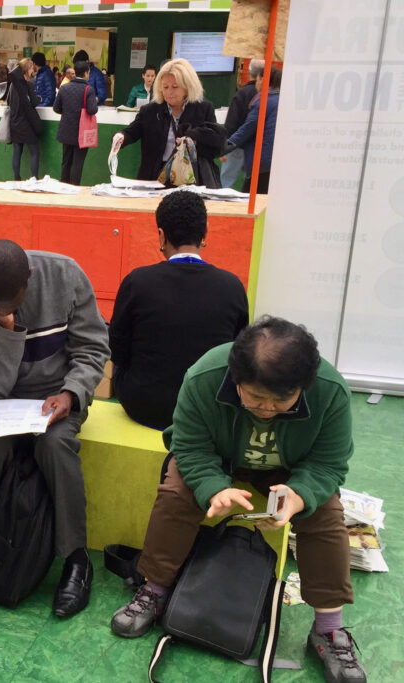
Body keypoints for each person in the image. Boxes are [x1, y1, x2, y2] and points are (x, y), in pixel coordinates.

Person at [110, 317, 367, 683]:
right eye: (255, 397)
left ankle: (328, 629)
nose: (266, 409)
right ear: (235, 377)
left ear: (303, 386)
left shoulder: (330, 391)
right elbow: (190, 446)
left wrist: (300, 495)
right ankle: (154, 589)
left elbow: (328, 463)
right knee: (178, 491)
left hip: (289, 471)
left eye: (282, 400)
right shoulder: (204, 377)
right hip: (221, 460)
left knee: (325, 513)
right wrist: (213, 487)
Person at [0, 240, 110, 630]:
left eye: (12, 304)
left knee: (56, 444)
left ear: (29, 277)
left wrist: (71, 393)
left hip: (58, 397)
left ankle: (76, 560)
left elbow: (93, 349)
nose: (3, 312)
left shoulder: (65, 274)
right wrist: (8, 332)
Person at [109, 191, 248, 429]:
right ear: (204, 233)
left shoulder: (137, 281)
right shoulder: (232, 286)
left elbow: (117, 350)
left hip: (143, 405)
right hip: (206, 410)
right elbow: (240, 353)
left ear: (161, 235)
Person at [112, 58, 225, 188]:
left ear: (188, 86)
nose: (169, 92)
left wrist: (195, 141)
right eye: (165, 87)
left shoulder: (203, 109)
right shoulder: (150, 110)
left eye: (175, 87)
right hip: (154, 177)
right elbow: (132, 131)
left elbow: (214, 144)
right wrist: (120, 137)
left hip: (191, 178)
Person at [226, 68, 281, 194]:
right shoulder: (282, 100)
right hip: (277, 162)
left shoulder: (264, 101)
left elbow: (247, 128)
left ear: (262, 79)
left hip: (262, 163)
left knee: (251, 201)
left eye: (256, 80)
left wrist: (224, 147)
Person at [52, 59, 98, 185]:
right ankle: (74, 188)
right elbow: (92, 110)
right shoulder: (89, 90)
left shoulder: (64, 87)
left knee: (66, 162)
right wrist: (95, 101)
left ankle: (63, 187)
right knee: (77, 163)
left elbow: (56, 108)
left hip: (65, 130)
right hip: (81, 132)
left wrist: (67, 113)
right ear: (86, 73)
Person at [220, 59, 263, 188]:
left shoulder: (241, 93)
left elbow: (232, 121)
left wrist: (224, 146)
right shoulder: (269, 95)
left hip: (235, 145)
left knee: (225, 183)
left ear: (249, 73)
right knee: (250, 185)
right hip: (256, 147)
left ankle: (222, 207)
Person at [5, 59, 42, 181]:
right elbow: (33, 102)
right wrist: (40, 98)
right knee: (34, 151)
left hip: (14, 122)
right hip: (26, 123)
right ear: (28, 69)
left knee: (17, 152)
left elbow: (9, 101)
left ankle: (16, 178)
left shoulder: (12, 85)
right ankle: (34, 178)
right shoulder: (28, 84)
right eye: (32, 68)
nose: (33, 70)